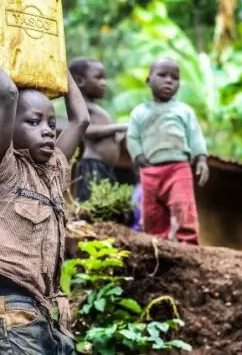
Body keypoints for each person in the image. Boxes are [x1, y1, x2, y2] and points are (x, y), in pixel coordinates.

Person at [0, 25, 89, 354]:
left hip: (47, 309)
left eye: (51, 124)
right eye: (34, 122)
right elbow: (8, 95)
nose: (47, 131)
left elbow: (81, 120)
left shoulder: (53, 171)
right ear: (6, 128)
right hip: (5, 306)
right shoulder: (3, 168)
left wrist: (57, 60)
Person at [126, 58, 209, 245]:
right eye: (162, 75)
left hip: (178, 168)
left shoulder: (184, 111)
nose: (169, 81)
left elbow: (195, 135)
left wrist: (201, 158)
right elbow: (132, 136)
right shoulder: (139, 112)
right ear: (148, 81)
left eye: (175, 77)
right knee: (152, 212)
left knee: (183, 206)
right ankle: (157, 243)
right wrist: (138, 155)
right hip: (150, 171)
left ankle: (187, 241)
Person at [68, 58, 127, 202]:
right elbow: (85, 131)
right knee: (91, 206)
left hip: (105, 167)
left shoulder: (97, 108)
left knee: (104, 207)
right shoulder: (80, 106)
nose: (104, 83)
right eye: (98, 77)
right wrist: (119, 127)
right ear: (80, 81)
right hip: (93, 165)